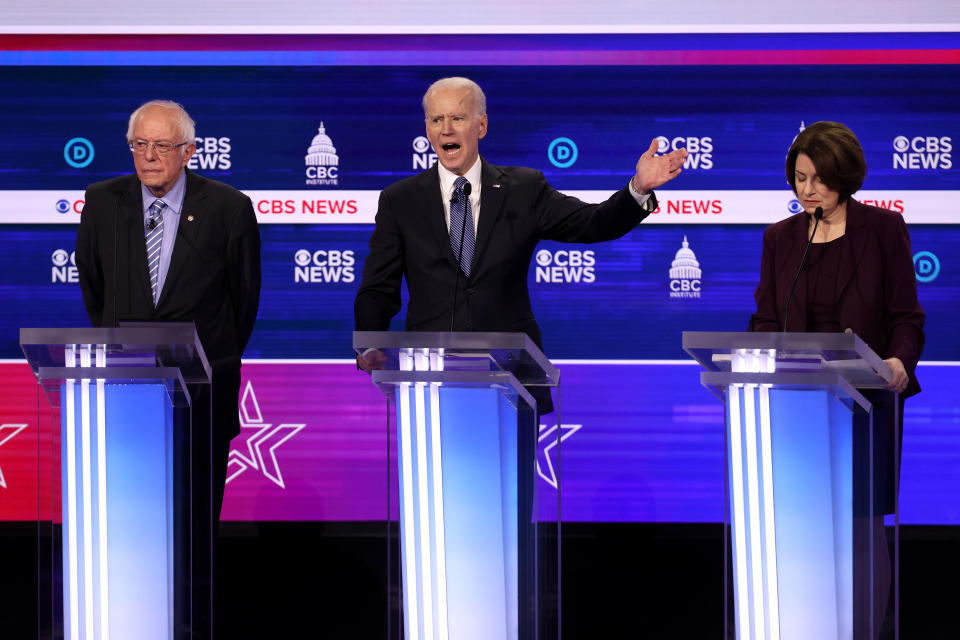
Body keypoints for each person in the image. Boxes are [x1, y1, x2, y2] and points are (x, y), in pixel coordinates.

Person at [354, 76, 688, 407]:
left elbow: (592, 223)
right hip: (428, 377)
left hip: (512, 375)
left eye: (458, 118)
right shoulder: (400, 200)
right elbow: (378, 286)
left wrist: (638, 189)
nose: (446, 129)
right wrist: (369, 344)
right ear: (427, 129)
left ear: (481, 126)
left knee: (512, 460)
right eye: (437, 119)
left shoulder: (523, 189)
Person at [75, 100, 260, 636]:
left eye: (161, 146)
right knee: (129, 524)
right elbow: (94, 289)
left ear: (189, 151)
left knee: (195, 527)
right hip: (125, 393)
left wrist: (210, 359)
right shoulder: (103, 202)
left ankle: (192, 621)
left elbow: (242, 301)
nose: (149, 157)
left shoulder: (228, 207)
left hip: (203, 394)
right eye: (140, 145)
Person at [749, 120, 924, 637]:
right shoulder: (780, 238)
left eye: (819, 179)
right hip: (796, 405)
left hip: (865, 402)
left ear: (844, 177)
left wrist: (899, 363)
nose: (808, 190)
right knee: (801, 530)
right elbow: (763, 319)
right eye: (800, 178)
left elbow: (907, 317)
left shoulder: (883, 230)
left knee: (863, 531)